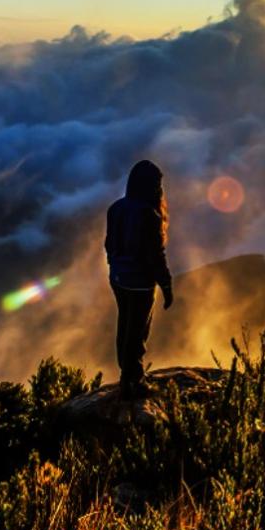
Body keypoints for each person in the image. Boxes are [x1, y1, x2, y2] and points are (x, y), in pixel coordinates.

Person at [105, 159, 174, 399]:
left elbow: (109, 244)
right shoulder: (150, 215)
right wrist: (166, 286)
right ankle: (133, 381)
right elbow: (156, 257)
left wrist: (115, 266)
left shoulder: (115, 208)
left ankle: (127, 375)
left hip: (118, 278)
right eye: (158, 183)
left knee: (125, 324)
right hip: (140, 283)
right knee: (138, 330)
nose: (160, 188)